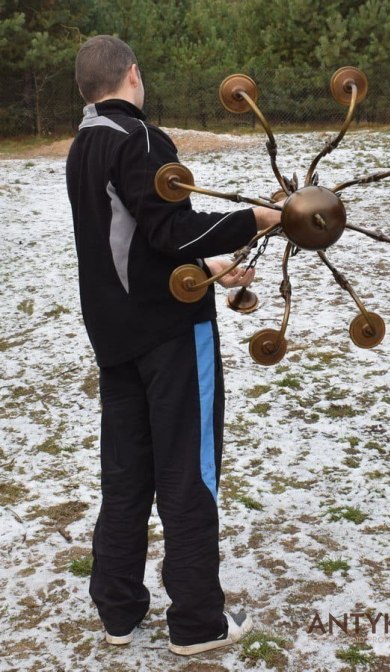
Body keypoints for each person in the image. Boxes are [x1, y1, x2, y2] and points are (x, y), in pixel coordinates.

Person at [66, 35, 281, 656]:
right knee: (189, 471)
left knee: (126, 474)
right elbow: (170, 229)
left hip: (116, 338)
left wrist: (214, 267)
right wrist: (259, 218)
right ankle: (197, 622)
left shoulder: (84, 144)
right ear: (133, 74)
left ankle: (118, 610)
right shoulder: (140, 140)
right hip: (170, 335)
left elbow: (142, 240)